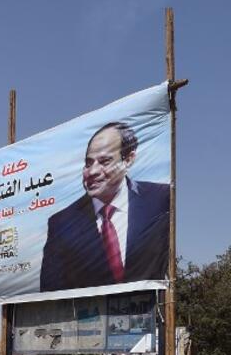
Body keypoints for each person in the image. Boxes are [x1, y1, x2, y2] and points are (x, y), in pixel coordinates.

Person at [40, 122, 170, 292]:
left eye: (104, 161)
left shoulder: (160, 199)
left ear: (128, 160)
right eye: (88, 163)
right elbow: (51, 292)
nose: (92, 171)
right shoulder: (62, 224)